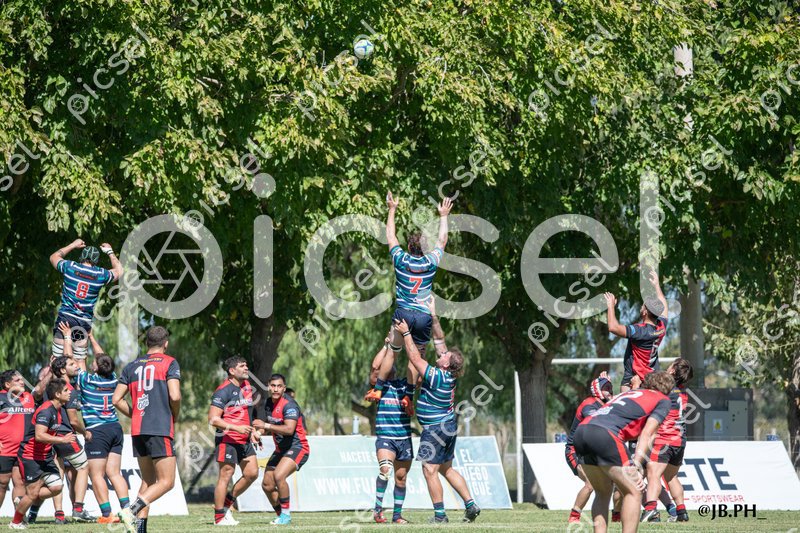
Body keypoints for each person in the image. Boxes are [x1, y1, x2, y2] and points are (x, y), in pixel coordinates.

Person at [395, 317, 480, 524]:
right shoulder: (449, 375)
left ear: (446, 364)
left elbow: (415, 358)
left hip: (436, 429)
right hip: (447, 426)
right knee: (445, 468)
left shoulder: (437, 376)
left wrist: (406, 333)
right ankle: (471, 505)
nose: (441, 354)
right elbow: (440, 341)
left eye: (444, 356)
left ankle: (440, 516)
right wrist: (433, 318)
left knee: (429, 469)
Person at [572, 371, 674, 533]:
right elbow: (648, 434)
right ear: (667, 389)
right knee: (634, 491)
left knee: (602, 492)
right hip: (605, 434)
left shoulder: (630, 393)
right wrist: (637, 464)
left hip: (582, 431)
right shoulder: (663, 399)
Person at [113, 326, 181, 533]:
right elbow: (175, 396)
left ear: (147, 343)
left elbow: (116, 399)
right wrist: (175, 414)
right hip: (159, 427)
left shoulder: (131, 366)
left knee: (148, 481)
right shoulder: (169, 362)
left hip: (138, 429)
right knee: (167, 482)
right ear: (165, 343)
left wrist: (135, 413)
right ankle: (130, 511)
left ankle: (139, 529)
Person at [34, 325, 93, 524]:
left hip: (50, 437)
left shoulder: (51, 386)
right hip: (66, 435)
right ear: (62, 370)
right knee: (83, 467)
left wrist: (67, 338)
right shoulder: (69, 390)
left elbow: (64, 363)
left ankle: (59, 514)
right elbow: (74, 420)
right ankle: (78, 509)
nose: (76, 366)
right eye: (72, 364)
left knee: (58, 472)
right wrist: (85, 432)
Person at [384, 191, 452, 359]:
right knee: (417, 358)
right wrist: (444, 215)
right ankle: (412, 378)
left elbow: (390, 236)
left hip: (404, 313)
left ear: (408, 247)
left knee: (391, 353)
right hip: (423, 315)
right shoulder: (430, 262)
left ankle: (382, 377)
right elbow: (442, 241)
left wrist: (392, 209)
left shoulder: (401, 259)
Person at [74, 331, 130, 524]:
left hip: (97, 431)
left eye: (95, 362)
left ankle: (107, 515)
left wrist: (77, 340)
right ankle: (127, 511)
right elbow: (103, 358)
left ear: (97, 367)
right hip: (115, 428)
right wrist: (92, 338)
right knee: (114, 473)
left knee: (96, 474)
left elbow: (79, 360)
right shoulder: (114, 379)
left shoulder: (87, 380)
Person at [10, 378, 74, 529]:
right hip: (30, 456)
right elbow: (39, 435)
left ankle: (23, 499)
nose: (69, 392)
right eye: (66, 390)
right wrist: (62, 440)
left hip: (45, 456)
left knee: (57, 487)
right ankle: (16, 522)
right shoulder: (46, 410)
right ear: (57, 394)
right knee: (32, 493)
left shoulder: (58, 409)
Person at [639, 358, 693, 523]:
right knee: (671, 476)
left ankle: (651, 510)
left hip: (664, 439)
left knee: (653, 473)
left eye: (671, 365)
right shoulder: (683, 393)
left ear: (673, 370)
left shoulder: (665, 391)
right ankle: (681, 511)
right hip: (680, 440)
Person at [208, 356, 259, 526]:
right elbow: (213, 419)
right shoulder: (222, 391)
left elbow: (247, 413)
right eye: (242, 366)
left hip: (244, 440)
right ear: (231, 371)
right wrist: (237, 428)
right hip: (227, 440)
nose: (246, 368)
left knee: (252, 473)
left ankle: (226, 505)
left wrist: (252, 431)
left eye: (246, 365)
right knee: (225, 476)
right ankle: (219, 518)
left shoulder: (247, 386)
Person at [366, 333, 412, 524]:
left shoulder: (404, 385)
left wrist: (410, 343)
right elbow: (375, 367)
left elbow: (416, 371)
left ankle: (397, 515)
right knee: (385, 471)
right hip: (386, 436)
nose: (387, 363)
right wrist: (387, 347)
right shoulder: (379, 386)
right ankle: (377, 510)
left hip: (404, 438)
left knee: (401, 478)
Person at [49, 239, 122, 360]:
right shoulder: (101, 274)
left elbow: (53, 257)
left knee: (57, 360)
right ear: (96, 261)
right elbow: (119, 271)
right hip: (84, 322)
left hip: (65, 318)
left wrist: (73, 245)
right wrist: (110, 252)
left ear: (81, 257)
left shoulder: (70, 266)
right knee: (79, 361)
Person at [253, 374, 310, 526]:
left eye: (279, 386)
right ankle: (281, 515)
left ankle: (285, 515)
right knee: (267, 485)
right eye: (273, 386)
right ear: (268, 387)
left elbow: (289, 429)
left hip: (298, 447)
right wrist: (258, 433)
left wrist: (265, 426)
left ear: (284, 388)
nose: (276, 389)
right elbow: (266, 425)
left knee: (279, 476)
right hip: (280, 450)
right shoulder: (268, 403)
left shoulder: (290, 405)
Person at [604, 270, 668, 392]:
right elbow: (663, 304)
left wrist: (610, 306)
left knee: (627, 404)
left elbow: (613, 327)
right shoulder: (661, 326)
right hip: (652, 380)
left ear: (645, 312)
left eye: (643, 305)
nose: (641, 306)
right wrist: (656, 285)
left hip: (634, 379)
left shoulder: (640, 331)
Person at [564, 373, 613, 524]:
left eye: (611, 388)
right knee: (591, 484)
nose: (610, 391)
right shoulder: (589, 403)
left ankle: (616, 517)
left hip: (593, 452)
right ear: (597, 390)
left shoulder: (607, 405)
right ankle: (574, 517)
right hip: (575, 452)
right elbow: (596, 420)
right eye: (606, 388)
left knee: (613, 483)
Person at [0, 370, 35, 510]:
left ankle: (18, 517)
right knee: (2, 483)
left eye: (22, 379)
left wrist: (51, 370)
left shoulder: (28, 397)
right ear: (7, 385)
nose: (22, 382)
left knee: (20, 482)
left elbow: (41, 389)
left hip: (23, 449)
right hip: (4, 449)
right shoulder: (1, 397)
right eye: (17, 380)